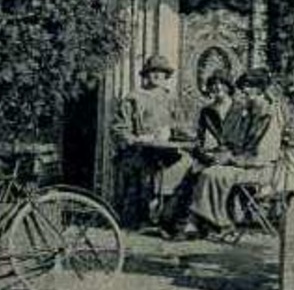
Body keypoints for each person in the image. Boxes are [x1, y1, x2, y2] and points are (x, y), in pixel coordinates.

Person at [181, 69, 283, 238]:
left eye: (248, 88)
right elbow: (240, 144)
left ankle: (216, 222)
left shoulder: (269, 116)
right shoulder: (253, 113)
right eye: (243, 88)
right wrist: (225, 155)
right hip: (246, 164)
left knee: (211, 174)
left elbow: (262, 155)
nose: (244, 93)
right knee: (207, 171)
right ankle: (212, 221)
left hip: (261, 169)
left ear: (260, 91)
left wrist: (232, 160)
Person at [111, 54, 190, 227]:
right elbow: (118, 128)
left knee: (185, 166)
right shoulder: (133, 98)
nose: (157, 76)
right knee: (141, 169)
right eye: (153, 72)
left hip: (166, 151)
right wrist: (134, 139)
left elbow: (182, 126)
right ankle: (139, 218)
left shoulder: (171, 99)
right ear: (146, 75)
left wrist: (174, 131)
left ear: (166, 76)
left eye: (161, 72)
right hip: (139, 150)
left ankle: (170, 217)